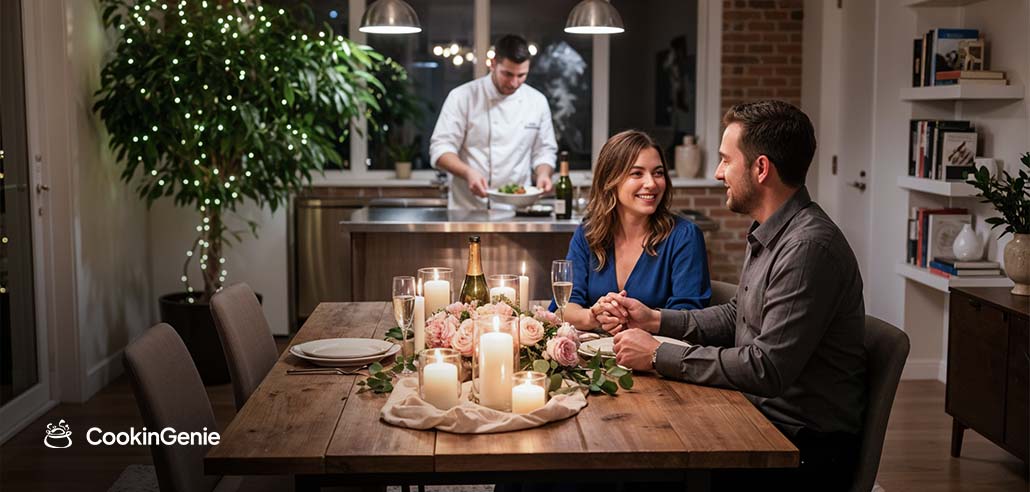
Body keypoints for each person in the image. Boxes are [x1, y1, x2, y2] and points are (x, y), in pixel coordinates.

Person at [601, 101, 866, 491]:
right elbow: (736, 316)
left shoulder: (808, 248)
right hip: (758, 416)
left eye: (726, 160)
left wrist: (658, 353)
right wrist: (654, 319)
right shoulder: (771, 230)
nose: (718, 172)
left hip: (799, 448)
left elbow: (765, 368)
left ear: (760, 169)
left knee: (638, 467)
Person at [550, 130, 711, 330]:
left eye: (658, 173)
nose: (651, 183)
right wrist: (594, 315)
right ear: (610, 181)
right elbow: (563, 307)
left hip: (658, 356)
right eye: (637, 173)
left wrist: (647, 319)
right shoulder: (588, 233)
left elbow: (689, 319)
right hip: (593, 356)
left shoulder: (684, 236)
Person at [430, 34, 558, 209]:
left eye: (521, 75)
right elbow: (440, 149)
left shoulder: (537, 101)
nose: (514, 82)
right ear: (492, 64)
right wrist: (468, 172)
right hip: (469, 207)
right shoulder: (462, 97)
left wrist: (544, 174)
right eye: (507, 74)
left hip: (517, 209)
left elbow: (544, 151)